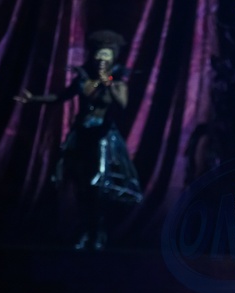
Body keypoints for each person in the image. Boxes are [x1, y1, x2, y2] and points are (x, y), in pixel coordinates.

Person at [14, 30, 143, 250]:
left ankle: (98, 232)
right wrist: (33, 98)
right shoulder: (84, 80)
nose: (101, 60)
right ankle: (85, 230)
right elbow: (60, 97)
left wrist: (108, 83)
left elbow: (122, 104)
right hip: (81, 135)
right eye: (99, 55)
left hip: (102, 139)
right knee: (81, 184)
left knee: (98, 186)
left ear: (113, 59)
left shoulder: (118, 83)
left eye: (106, 56)